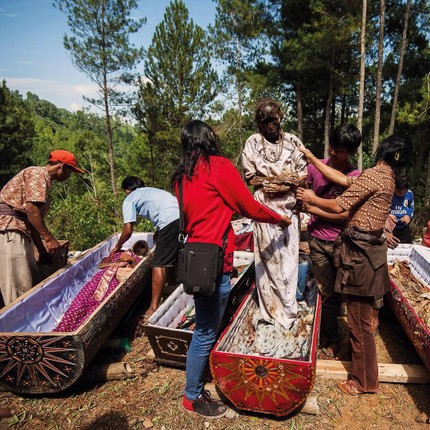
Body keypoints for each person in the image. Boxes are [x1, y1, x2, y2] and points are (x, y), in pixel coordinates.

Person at [171, 119, 292, 419]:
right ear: (207, 139)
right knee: (206, 330)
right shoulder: (218, 166)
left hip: (196, 259)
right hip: (215, 261)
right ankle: (192, 397)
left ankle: (198, 383)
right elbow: (247, 205)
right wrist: (279, 219)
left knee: (206, 325)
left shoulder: (180, 177)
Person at [296, 134, 413, 396]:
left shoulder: (375, 174)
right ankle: (365, 376)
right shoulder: (386, 177)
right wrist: (313, 159)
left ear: (383, 150)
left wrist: (310, 199)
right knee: (364, 321)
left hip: (360, 258)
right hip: (369, 254)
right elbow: (345, 180)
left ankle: (363, 382)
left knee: (359, 324)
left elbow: (340, 204)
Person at [241, 97, 307, 330]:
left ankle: (288, 308)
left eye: (274, 119)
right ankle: (271, 309)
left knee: (289, 258)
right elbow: (251, 177)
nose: (271, 125)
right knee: (268, 258)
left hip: (289, 207)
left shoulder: (291, 141)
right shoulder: (253, 143)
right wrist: (276, 182)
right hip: (264, 208)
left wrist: (287, 185)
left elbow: (302, 173)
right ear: (259, 124)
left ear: (280, 118)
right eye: (266, 121)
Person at [304, 124, 361, 360]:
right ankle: (331, 339)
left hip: (341, 241)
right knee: (327, 293)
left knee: (343, 293)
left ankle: (344, 339)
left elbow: (346, 214)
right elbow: (302, 189)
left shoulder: (354, 176)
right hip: (317, 240)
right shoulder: (314, 168)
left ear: (351, 152)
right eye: (333, 148)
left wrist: (314, 205)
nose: (334, 153)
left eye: (341, 150)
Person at [0, 149, 84, 306]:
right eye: (70, 171)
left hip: (20, 229)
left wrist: (43, 250)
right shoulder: (38, 173)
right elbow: (32, 211)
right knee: (17, 288)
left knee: (31, 279)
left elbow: (33, 221)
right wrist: (49, 239)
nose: (69, 175)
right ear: (61, 166)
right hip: (8, 229)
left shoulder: (43, 181)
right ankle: (17, 329)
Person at [110, 176, 180, 318]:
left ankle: (153, 308)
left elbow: (128, 230)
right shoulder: (153, 191)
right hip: (183, 217)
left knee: (158, 264)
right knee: (172, 254)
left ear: (127, 190)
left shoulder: (130, 198)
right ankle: (173, 288)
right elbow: (166, 209)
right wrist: (159, 231)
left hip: (169, 221)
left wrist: (117, 246)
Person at [387, 175, 414, 244]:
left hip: (404, 228)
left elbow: (411, 207)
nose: (401, 194)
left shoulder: (410, 194)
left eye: (403, 193)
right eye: (398, 192)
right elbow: (382, 209)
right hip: (390, 228)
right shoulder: (389, 193)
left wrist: (408, 216)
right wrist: (388, 215)